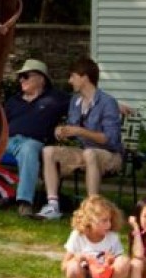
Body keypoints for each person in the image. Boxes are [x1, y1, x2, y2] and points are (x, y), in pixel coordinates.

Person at [34, 57, 123, 220]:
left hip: (110, 155)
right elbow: (72, 128)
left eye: (72, 76)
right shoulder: (75, 101)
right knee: (48, 151)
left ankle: (92, 209)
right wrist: (62, 131)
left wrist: (80, 131)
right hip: (84, 152)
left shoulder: (107, 102)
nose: (69, 80)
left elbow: (110, 140)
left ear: (84, 77)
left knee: (90, 153)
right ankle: (53, 206)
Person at [0, 59, 69, 217]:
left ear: (41, 79)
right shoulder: (13, 101)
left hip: (34, 143)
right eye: (20, 77)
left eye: (26, 76)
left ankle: (25, 202)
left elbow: (85, 101)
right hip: (9, 141)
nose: (21, 79)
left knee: (28, 149)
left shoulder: (56, 98)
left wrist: (114, 104)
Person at [61, 194, 129, 278]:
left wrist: (112, 260)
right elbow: (64, 265)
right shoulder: (78, 236)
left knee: (124, 261)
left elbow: (120, 264)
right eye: (104, 221)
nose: (108, 224)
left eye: (109, 220)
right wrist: (78, 258)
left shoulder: (112, 237)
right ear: (89, 220)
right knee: (72, 266)